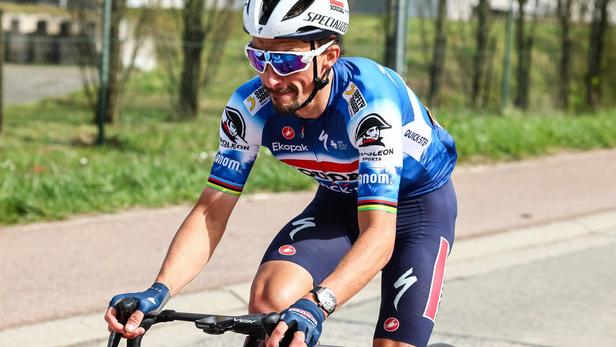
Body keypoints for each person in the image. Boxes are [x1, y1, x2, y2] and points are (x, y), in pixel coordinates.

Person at [105, 1, 458, 346]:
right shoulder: (249, 108)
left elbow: (380, 235)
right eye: (259, 57)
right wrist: (159, 289)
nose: (271, 78)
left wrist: (317, 305)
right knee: (271, 307)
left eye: (287, 60)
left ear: (329, 58)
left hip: (417, 209)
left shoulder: (369, 104)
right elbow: (211, 211)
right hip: (338, 201)